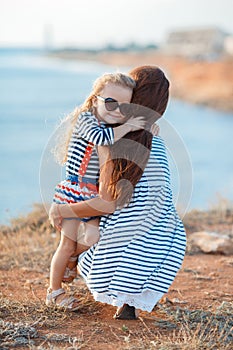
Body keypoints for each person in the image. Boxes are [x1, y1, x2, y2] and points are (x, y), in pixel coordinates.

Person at [49, 65, 186, 319]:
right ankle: (130, 301)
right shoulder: (159, 142)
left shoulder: (112, 143)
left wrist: (61, 209)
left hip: (120, 256)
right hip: (169, 249)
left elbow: (107, 204)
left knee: (88, 236)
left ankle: (62, 280)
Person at [46, 72, 146, 311]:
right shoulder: (86, 120)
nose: (116, 110)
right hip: (74, 191)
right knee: (67, 244)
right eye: (110, 102)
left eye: (125, 106)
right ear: (95, 99)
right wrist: (130, 126)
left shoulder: (115, 124)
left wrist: (145, 129)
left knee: (92, 238)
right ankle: (54, 291)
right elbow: (102, 138)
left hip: (93, 194)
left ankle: (72, 261)